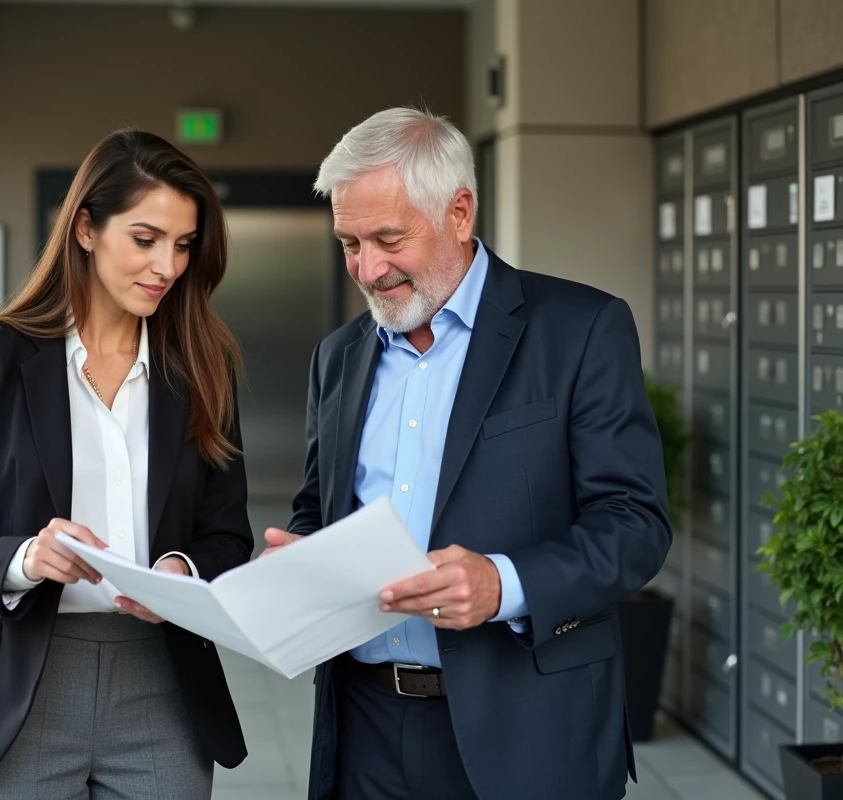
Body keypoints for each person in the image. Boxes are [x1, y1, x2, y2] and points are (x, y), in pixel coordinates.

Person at [262, 108, 672, 800]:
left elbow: (635, 525)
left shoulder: (580, 329)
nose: (367, 268)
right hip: (362, 726)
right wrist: (298, 560)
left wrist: (503, 584)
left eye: (389, 239)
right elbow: (319, 506)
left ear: (459, 212)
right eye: (349, 243)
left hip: (528, 730)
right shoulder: (338, 357)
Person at [0, 128, 253, 800]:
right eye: (146, 238)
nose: (168, 266)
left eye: (183, 245)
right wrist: (25, 560)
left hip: (163, 686)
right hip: (19, 686)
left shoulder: (204, 370)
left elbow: (226, 536)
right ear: (87, 229)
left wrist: (181, 574)